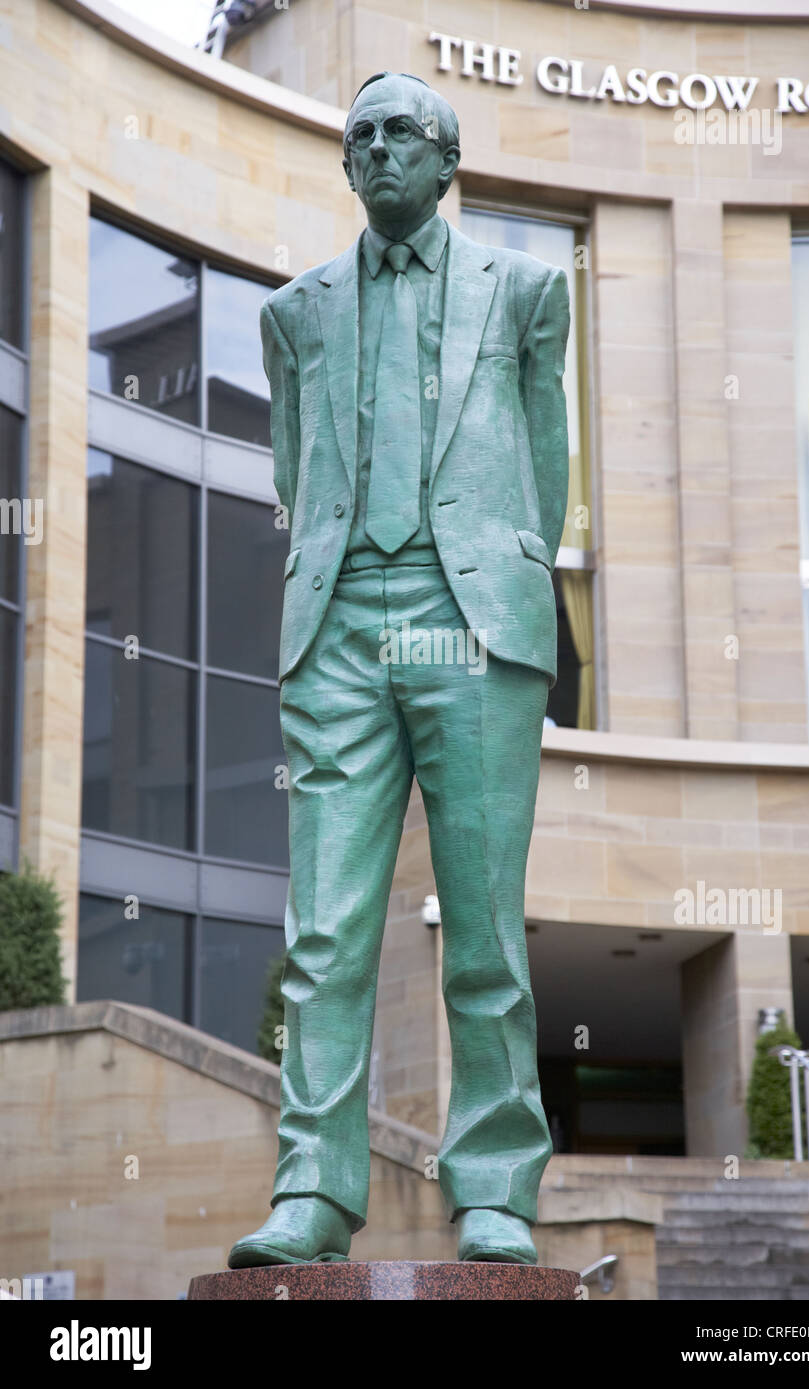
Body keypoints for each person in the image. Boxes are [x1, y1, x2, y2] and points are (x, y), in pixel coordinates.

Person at [229, 69, 570, 1268]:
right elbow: (291, 469)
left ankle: (494, 1186)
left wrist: (492, 567)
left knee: (479, 924)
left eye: (401, 136)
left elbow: (543, 464)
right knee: (324, 928)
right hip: (339, 626)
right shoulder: (295, 314)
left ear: (446, 159)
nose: (376, 153)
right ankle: (312, 1189)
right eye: (358, 137)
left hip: (467, 615)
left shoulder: (525, 292)